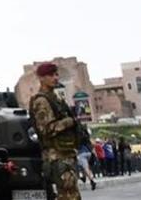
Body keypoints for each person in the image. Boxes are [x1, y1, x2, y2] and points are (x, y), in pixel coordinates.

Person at [29, 63, 81, 200]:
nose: (55, 78)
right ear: (41, 78)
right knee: (68, 196)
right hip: (56, 156)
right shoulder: (41, 101)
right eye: (51, 75)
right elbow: (45, 129)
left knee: (71, 194)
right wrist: (69, 122)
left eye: (56, 74)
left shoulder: (56, 99)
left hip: (65, 153)